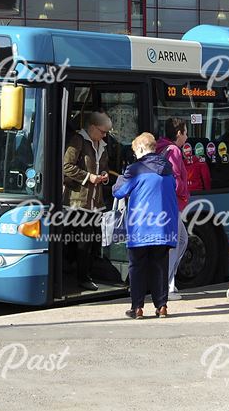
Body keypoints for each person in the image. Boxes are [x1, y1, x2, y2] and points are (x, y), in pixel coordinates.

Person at [113, 132, 179, 319]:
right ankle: (162, 306)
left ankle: (138, 307)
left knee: (137, 267)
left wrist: (120, 177)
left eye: (135, 151)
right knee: (160, 266)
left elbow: (118, 192)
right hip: (164, 226)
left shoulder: (135, 169)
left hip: (141, 227)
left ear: (141, 148)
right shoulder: (167, 168)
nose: (135, 155)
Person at [63, 111, 113, 291]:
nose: (105, 135)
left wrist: (104, 176)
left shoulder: (102, 144)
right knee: (84, 240)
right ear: (92, 128)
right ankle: (82, 277)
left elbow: (104, 167)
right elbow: (66, 167)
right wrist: (88, 177)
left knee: (92, 239)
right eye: (102, 131)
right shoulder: (78, 140)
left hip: (95, 202)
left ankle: (84, 273)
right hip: (78, 200)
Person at [156, 118, 191, 300]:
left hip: (167, 202)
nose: (187, 136)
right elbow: (176, 179)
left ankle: (170, 282)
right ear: (179, 133)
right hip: (173, 203)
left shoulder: (161, 146)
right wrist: (185, 192)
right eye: (185, 132)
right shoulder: (174, 150)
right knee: (175, 244)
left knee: (183, 240)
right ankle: (167, 287)